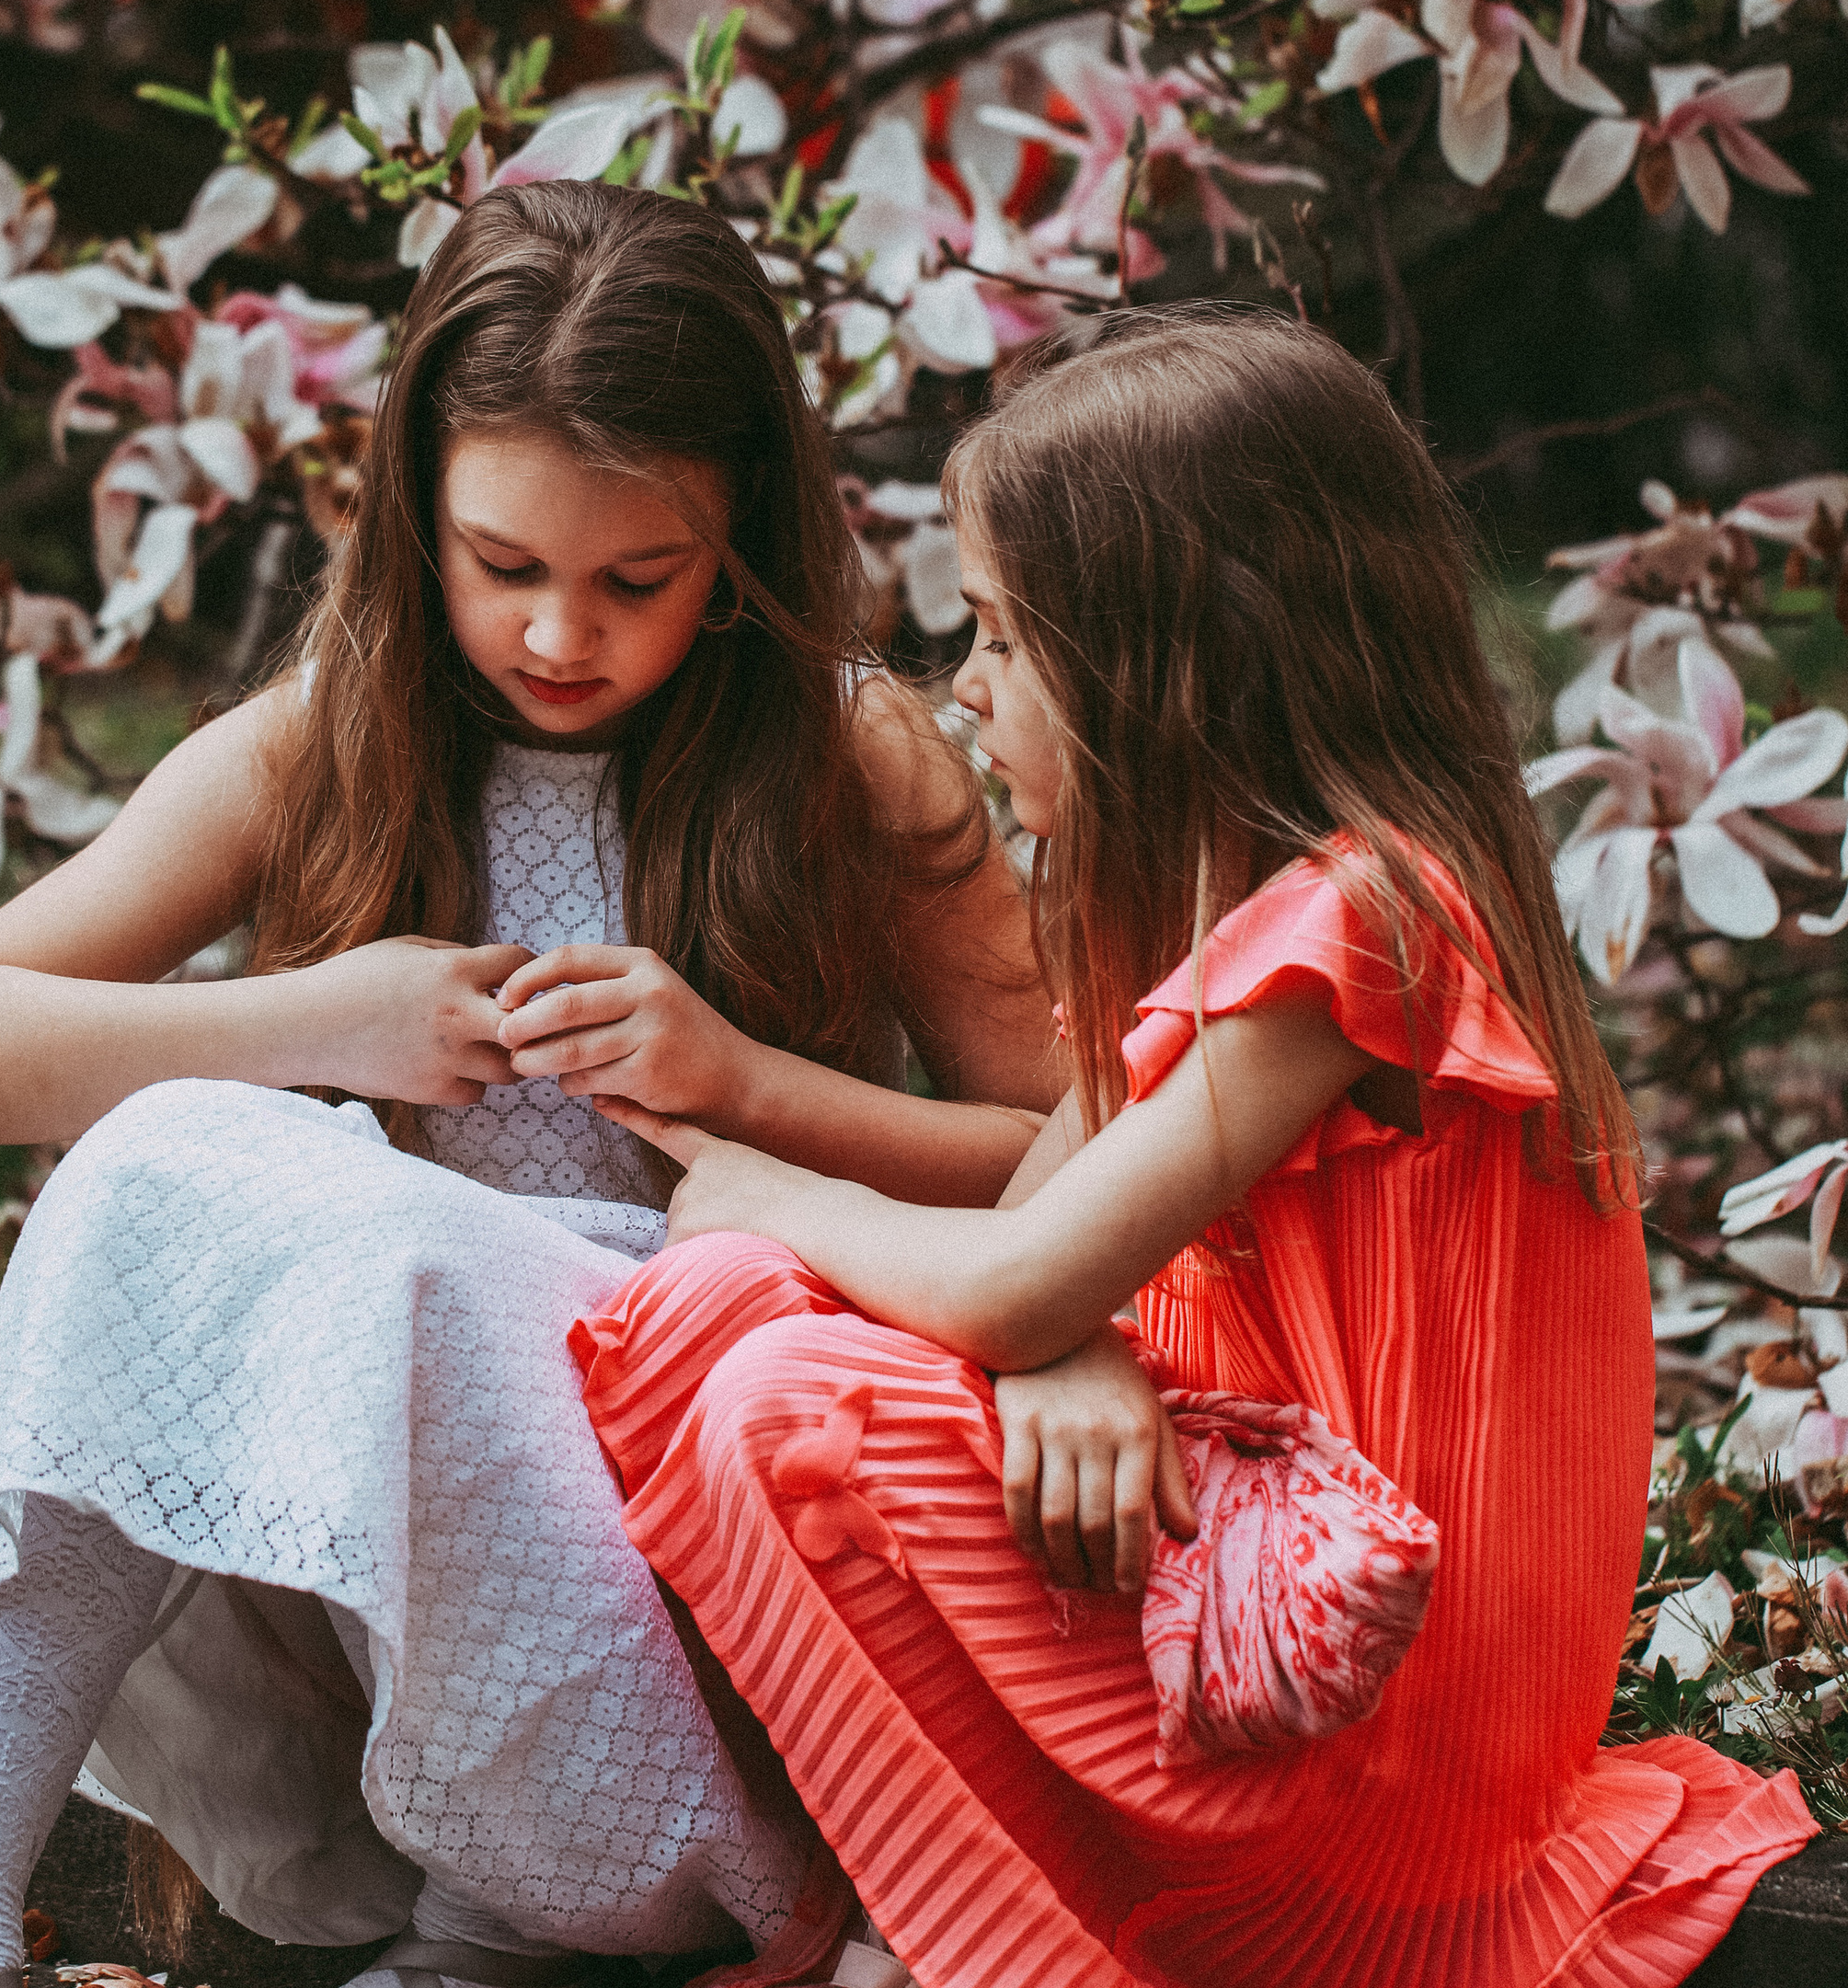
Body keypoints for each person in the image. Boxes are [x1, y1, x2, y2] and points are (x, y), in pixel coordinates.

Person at [0, 181, 1061, 1988]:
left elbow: (1079, 1163)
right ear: (413, 511)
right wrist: (318, 1021)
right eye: (503, 564)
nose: (559, 634)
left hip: (687, 1480)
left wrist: (744, 1086)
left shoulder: (848, 754)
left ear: (740, 539)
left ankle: (549, 1911)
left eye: (634, 579)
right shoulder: (333, 732)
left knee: (391, 1259)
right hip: (374, 1510)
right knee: (180, 1157)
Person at [574, 305, 1819, 1988]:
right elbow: (1035, 1234)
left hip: (1361, 1736)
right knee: (721, 1314)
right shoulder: (1219, 923)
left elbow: (1010, 1278)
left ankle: (1003, 1955)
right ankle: (917, 1919)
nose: (967, 697)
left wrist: (758, 1177)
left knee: (775, 1384)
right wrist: (1055, 1337)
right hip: (1244, 1637)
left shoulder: (1364, 921)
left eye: (1007, 641)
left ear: (1166, 659)